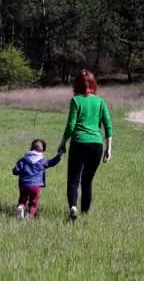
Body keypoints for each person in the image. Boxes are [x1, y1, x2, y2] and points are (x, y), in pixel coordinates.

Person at [58, 69, 113, 221]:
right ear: (93, 84)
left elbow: (71, 125)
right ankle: (85, 214)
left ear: (76, 85)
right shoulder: (100, 102)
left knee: (73, 180)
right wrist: (109, 149)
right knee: (87, 181)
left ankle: (73, 207)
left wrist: (62, 143)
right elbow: (108, 126)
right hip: (96, 145)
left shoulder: (76, 100)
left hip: (79, 144)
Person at [12, 139, 65, 219]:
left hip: (23, 184)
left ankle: (21, 207)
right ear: (43, 149)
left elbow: (16, 171)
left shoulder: (23, 159)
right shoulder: (42, 161)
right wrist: (59, 155)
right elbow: (51, 163)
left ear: (31, 147)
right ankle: (30, 215)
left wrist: (18, 172)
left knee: (23, 198)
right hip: (35, 186)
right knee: (33, 201)